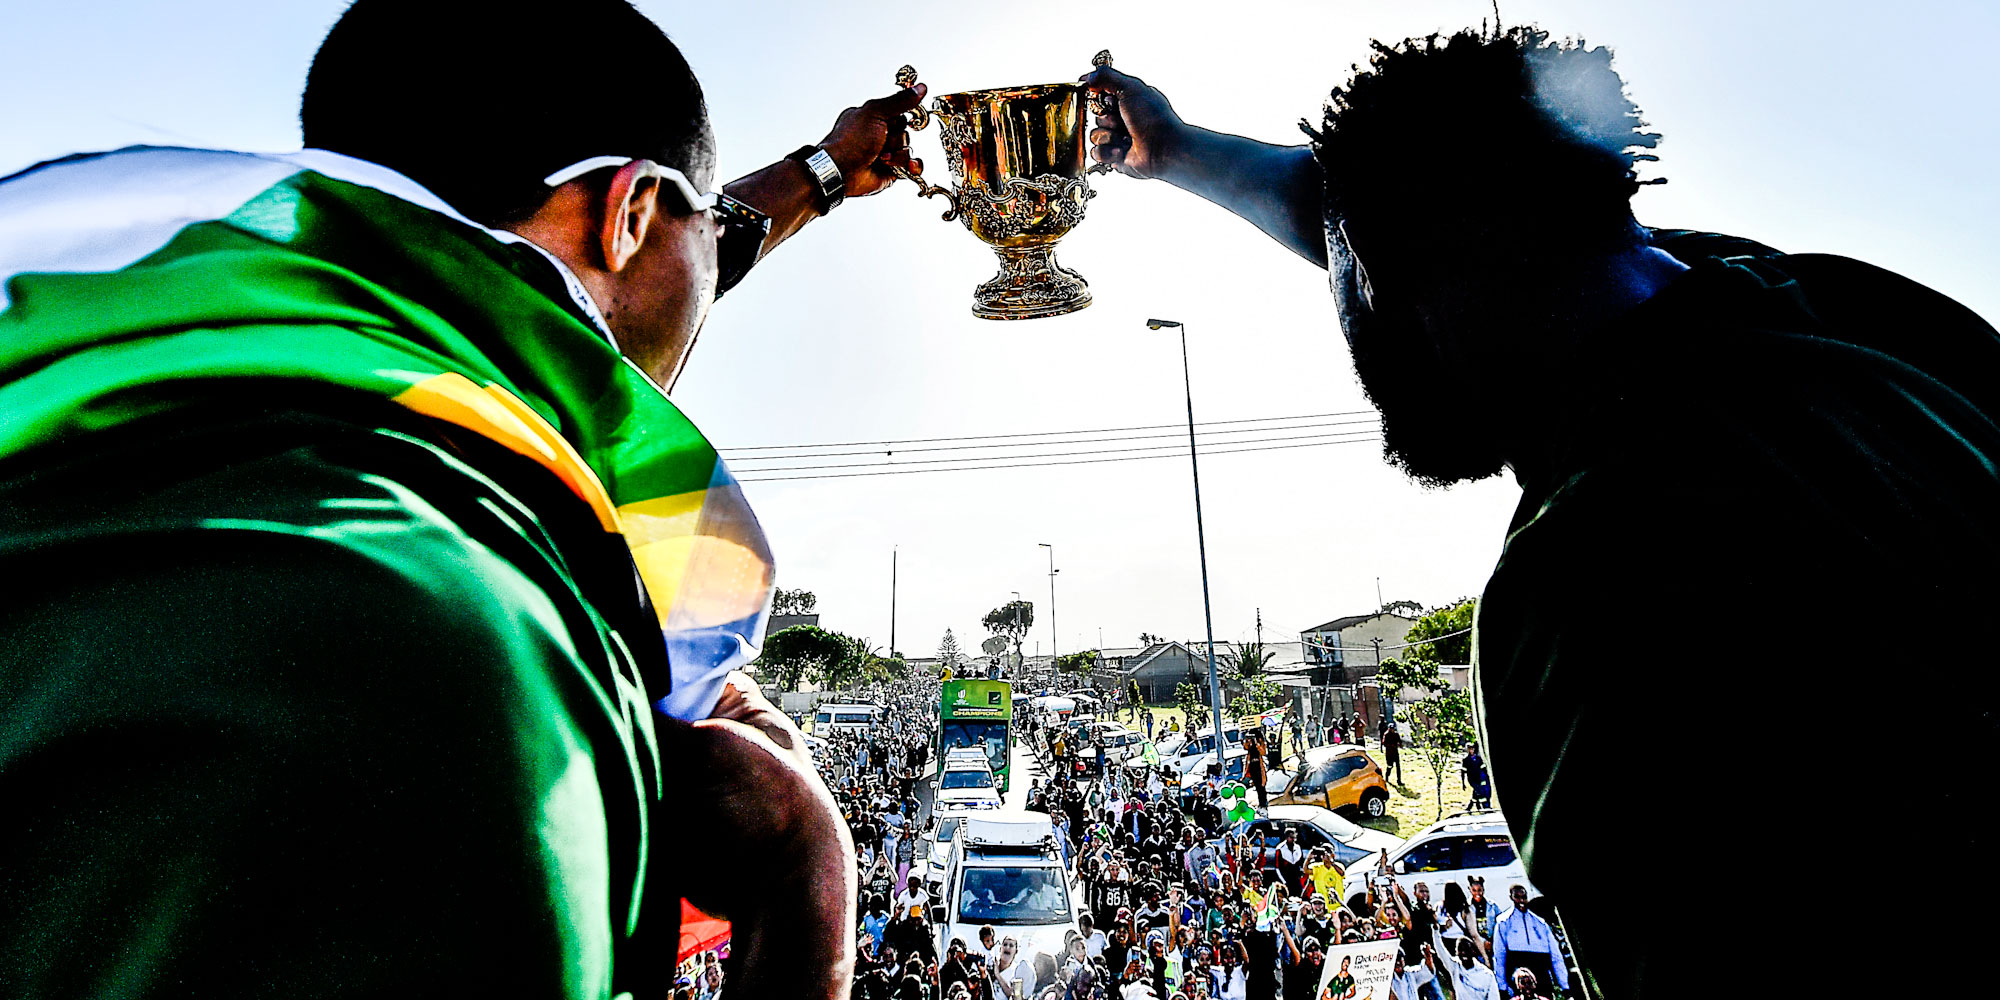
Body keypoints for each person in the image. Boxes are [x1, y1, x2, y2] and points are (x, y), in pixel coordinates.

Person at [0, 1, 938, 996]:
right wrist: (803, 879)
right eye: (699, 237)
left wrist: (825, 175)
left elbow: (570, 290)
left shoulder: (138, 322)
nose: (710, 281)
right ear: (627, 215)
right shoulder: (460, 669)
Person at [1081, 22, 1998, 997]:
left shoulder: (1595, 591)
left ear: (1399, 285)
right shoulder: (1834, 308)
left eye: (1349, 277)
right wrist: (1176, 150)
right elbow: (1398, 209)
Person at [1489, 886, 1567, 997]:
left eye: (1523, 897)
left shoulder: (1541, 923)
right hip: (1518, 973)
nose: (1521, 900)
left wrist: (1564, 985)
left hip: (1541, 973)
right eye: (1517, 897)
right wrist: (1502, 986)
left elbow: (1556, 956)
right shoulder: (1503, 922)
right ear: (1511, 897)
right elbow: (1499, 956)